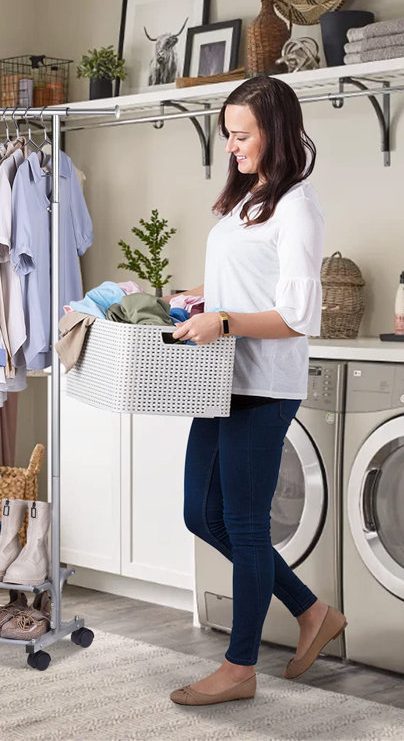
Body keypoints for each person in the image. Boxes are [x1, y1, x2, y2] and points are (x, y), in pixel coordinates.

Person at [166, 75, 347, 707]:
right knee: (200, 512)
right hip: (220, 380)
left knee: (243, 522)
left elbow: (297, 315)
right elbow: (244, 291)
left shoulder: (299, 204)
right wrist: (199, 301)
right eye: (229, 136)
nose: (233, 147)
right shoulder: (251, 200)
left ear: (276, 131)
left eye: (241, 136)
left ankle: (239, 667)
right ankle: (310, 611)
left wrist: (225, 321)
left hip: (264, 386)